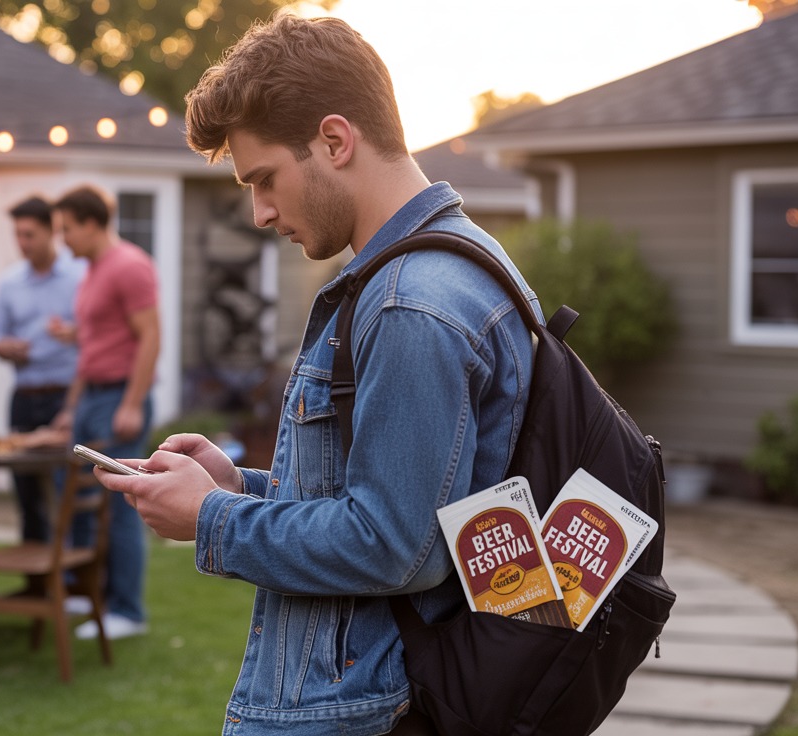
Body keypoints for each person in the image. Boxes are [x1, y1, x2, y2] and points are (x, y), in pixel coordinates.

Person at [95, 14, 541, 736]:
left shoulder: (408, 302)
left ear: (335, 141)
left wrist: (211, 519)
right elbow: (409, 501)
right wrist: (239, 486)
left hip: (359, 712)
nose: (260, 211)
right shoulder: (459, 260)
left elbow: (397, 548)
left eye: (264, 179)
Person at [50, 185, 160, 641]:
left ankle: (127, 611)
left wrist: (132, 403)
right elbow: (96, 344)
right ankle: (89, 591)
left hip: (119, 398)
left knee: (120, 506)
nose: (63, 238)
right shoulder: (93, 271)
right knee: (78, 500)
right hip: (92, 398)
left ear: (92, 224)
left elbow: (150, 338)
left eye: (67, 228)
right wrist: (70, 408)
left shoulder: (129, 266)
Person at [0, 196, 85, 554]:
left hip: (66, 397)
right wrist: (5, 347)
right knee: (26, 494)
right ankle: (35, 587)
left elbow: (92, 336)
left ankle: (67, 584)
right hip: (24, 398)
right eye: (18, 235)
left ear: (51, 231)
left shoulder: (79, 276)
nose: (23, 243)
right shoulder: (8, 282)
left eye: (30, 234)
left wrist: (73, 334)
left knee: (66, 494)